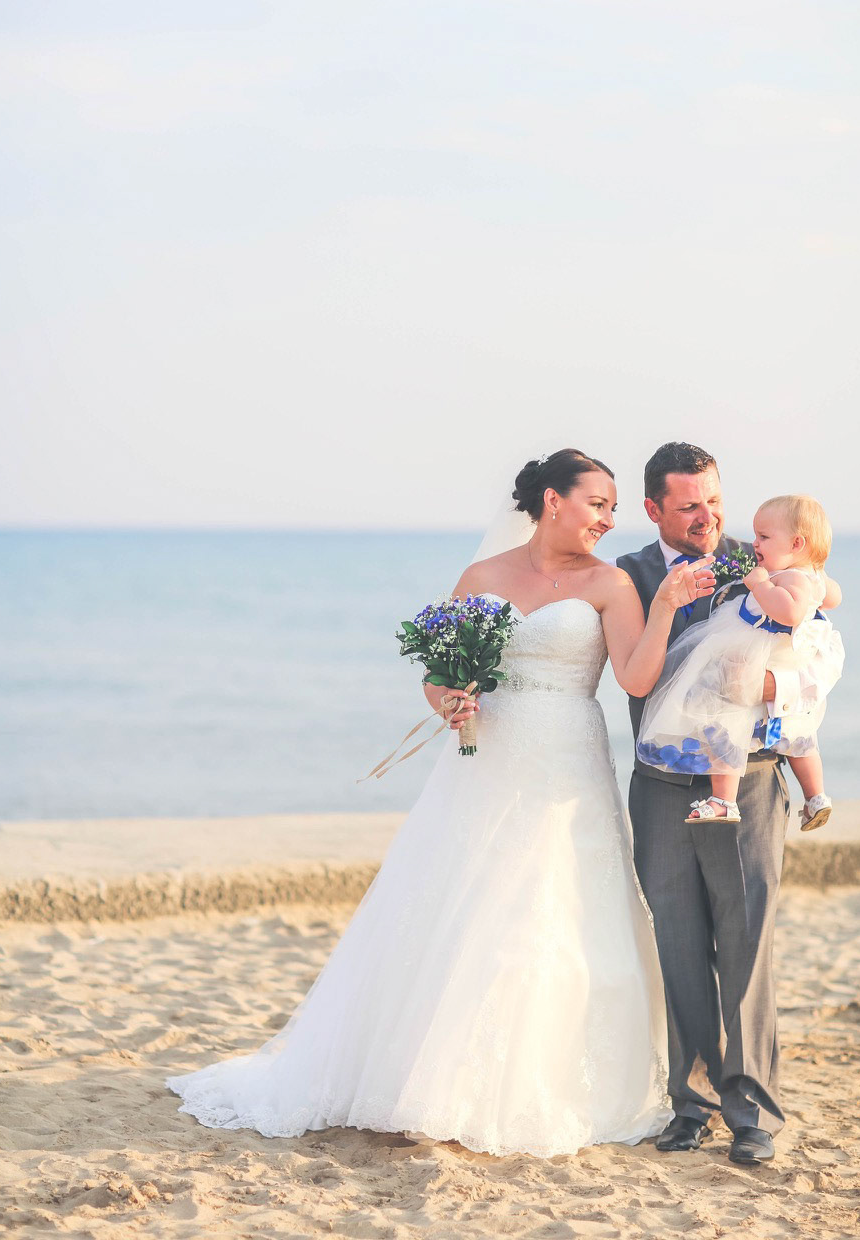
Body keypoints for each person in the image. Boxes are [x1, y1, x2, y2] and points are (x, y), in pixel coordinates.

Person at [167, 448, 712, 1158]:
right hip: (485, 760)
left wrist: (664, 604)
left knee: (550, 908)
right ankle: (424, 1080)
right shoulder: (483, 577)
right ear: (553, 501)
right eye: (598, 504)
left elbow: (637, 681)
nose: (608, 519)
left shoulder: (609, 584)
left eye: (613, 507)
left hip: (566, 762)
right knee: (463, 900)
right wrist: (449, 700)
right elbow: (438, 673)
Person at [617, 442, 837, 1167]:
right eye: (689, 506)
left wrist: (773, 688)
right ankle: (690, 1104)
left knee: (746, 943)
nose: (707, 517)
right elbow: (629, 677)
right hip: (660, 786)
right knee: (678, 944)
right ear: (653, 509)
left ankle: (752, 1114)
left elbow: (820, 653)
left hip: (752, 780)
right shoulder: (629, 575)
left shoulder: (765, 558)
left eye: (713, 500)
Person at [638, 494, 844, 829]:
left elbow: (790, 613)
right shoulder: (810, 576)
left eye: (764, 536)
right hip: (778, 653)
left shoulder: (790, 578)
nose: (755, 543)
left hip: (761, 651)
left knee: (724, 715)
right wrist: (817, 578)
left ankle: (724, 800)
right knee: (801, 735)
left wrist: (762, 584)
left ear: (796, 543)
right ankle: (815, 795)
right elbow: (833, 597)